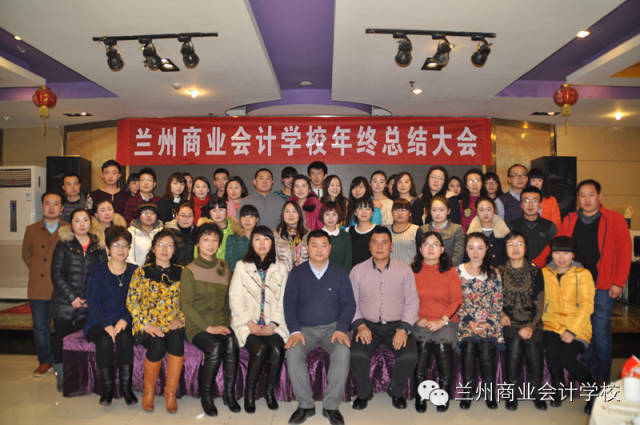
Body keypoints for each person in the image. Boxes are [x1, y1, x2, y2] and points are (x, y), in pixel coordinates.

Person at [558, 179, 631, 387]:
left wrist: (619, 282)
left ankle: (601, 377)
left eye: (591, 195)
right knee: (582, 330)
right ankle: (586, 375)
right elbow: (558, 248)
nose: (587, 199)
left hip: (602, 285)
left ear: (600, 196)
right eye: (582, 195)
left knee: (600, 332)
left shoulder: (614, 219)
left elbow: (624, 252)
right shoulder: (570, 219)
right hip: (576, 286)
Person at [283, 230, 356, 425]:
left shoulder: (340, 273)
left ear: (330, 248)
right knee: (293, 352)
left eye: (324, 245)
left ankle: (331, 406)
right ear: (307, 248)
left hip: (333, 328)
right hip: (304, 328)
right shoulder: (297, 273)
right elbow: (289, 304)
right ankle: (305, 405)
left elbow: (349, 304)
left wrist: (341, 328)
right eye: (314, 245)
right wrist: (294, 330)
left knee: (343, 352)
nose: (319, 250)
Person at [350, 226, 418, 411]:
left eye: (384, 243)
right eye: (375, 242)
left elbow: (412, 302)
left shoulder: (404, 270)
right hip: (367, 325)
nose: (379, 247)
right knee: (357, 354)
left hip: (396, 325)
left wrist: (403, 329)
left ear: (391, 246)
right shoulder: (357, 271)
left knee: (409, 355)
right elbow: (351, 303)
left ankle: (395, 391)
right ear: (369, 246)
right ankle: (364, 393)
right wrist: (360, 325)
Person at [180, 223, 240, 416]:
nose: (211, 244)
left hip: (221, 321)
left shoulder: (224, 266)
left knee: (231, 342)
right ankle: (206, 397)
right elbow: (186, 305)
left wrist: (228, 323)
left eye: (215, 240)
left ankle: (229, 394)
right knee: (214, 347)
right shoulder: (189, 270)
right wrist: (208, 327)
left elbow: (228, 298)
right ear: (198, 243)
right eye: (206, 240)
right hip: (197, 326)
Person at [229, 226, 289, 413]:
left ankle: (269, 392)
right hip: (247, 324)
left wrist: (273, 324)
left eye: (266, 239)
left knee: (277, 348)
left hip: (273, 324)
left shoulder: (280, 267)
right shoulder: (242, 266)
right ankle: (250, 393)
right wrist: (249, 323)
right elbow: (235, 298)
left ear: (272, 243)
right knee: (259, 348)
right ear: (251, 243)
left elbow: (284, 300)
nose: (262, 244)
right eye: (257, 239)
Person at [126, 230, 185, 413]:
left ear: (174, 250)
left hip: (172, 322)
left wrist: (180, 319)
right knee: (157, 345)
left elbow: (189, 301)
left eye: (169, 245)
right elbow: (132, 302)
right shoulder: (141, 272)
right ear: (153, 248)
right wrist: (147, 324)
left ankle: (170, 393)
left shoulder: (183, 272)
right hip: (147, 324)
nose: (165, 249)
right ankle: (148, 392)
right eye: (161, 245)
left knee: (176, 340)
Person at [51, 209, 107, 391]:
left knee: (81, 342)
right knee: (61, 341)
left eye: (85, 220)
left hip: (88, 304)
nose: (82, 224)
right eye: (77, 220)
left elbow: (102, 275)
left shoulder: (98, 246)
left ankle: (81, 376)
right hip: (64, 304)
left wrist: (92, 298)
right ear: (71, 224)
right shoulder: (64, 245)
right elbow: (56, 274)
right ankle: (61, 375)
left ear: (91, 223)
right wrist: (72, 298)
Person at [542, 236, 596, 414]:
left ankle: (594, 390)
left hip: (577, 327)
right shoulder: (544, 273)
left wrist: (572, 331)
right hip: (551, 324)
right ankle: (559, 388)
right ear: (552, 254)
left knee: (566, 357)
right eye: (557, 253)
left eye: (566, 253)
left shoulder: (583, 274)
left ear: (573, 255)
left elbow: (587, 306)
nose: (561, 257)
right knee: (551, 351)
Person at [84, 226, 137, 406]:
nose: (121, 249)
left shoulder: (135, 271)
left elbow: (137, 301)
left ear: (129, 248)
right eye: (116, 245)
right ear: (108, 248)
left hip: (125, 320)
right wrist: (106, 325)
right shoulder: (98, 270)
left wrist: (125, 319)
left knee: (125, 339)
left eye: (125, 245)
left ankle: (126, 388)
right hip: (98, 321)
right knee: (104, 340)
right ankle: (107, 389)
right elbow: (92, 302)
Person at [411, 231, 462, 413]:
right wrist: (417, 319)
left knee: (442, 345)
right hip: (421, 321)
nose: (431, 248)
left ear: (442, 249)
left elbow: (457, 301)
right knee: (423, 344)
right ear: (420, 249)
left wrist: (442, 321)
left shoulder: (450, 272)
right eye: (426, 244)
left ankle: (443, 393)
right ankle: (421, 394)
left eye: (435, 244)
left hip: (446, 321)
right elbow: (406, 300)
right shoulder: (412, 272)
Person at [499, 231, 546, 411]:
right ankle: (511, 394)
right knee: (515, 347)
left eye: (519, 244)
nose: (515, 248)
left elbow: (540, 302)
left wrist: (531, 326)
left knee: (533, 349)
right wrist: (501, 314)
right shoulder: (499, 271)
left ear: (526, 247)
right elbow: (494, 299)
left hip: (532, 322)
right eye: (510, 244)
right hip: (509, 322)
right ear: (505, 248)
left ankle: (537, 392)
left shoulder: (535, 271)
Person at [457, 232, 503, 410]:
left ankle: (490, 393)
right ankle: (467, 392)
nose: (475, 252)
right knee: (469, 346)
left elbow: (498, 300)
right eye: (471, 248)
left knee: (485, 348)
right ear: (466, 249)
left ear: (486, 250)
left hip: (489, 321)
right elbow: (455, 301)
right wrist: (469, 321)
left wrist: (488, 322)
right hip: (465, 320)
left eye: (480, 248)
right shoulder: (457, 271)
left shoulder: (494, 273)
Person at [22, 192, 65, 377]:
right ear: (42, 207)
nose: (51, 207)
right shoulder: (31, 229)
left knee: (62, 327)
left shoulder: (68, 228)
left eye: (56, 204)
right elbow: (27, 255)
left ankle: (61, 362)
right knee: (40, 327)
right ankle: (45, 361)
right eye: (48, 203)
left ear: (61, 208)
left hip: (61, 288)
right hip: (38, 286)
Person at [509, 186, 557, 267]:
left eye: (534, 200)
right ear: (521, 205)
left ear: (540, 204)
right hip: (518, 270)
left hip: (544, 270)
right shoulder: (511, 226)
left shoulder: (549, 226)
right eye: (526, 200)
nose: (530, 205)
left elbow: (556, 251)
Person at [420, 195, 464, 266]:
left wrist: (447, 269)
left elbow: (458, 256)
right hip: (427, 268)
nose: (437, 213)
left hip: (449, 268)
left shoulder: (457, 229)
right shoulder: (423, 229)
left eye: (441, 210)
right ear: (430, 211)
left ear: (448, 211)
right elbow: (420, 254)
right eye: (434, 210)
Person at [467, 196, 509, 266]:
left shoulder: (504, 230)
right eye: (481, 210)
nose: (485, 213)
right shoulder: (471, 231)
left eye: (489, 209)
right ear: (476, 212)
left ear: (494, 210)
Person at [199, 196, 240, 261]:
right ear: (209, 213)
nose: (218, 214)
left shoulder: (235, 228)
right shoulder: (204, 229)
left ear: (226, 211)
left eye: (221, 210)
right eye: (214, 211)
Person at [274, 201, 309, 272]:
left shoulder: (308, 235)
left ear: (299, 214)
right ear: (283, 215)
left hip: (304, 274)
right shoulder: (275, 235)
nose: (290, 215)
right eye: (287, 211)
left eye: (294, 211)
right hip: (281, 275)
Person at [225, 204, 260, 272]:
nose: (247, 220)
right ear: (240, 219)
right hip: (239, 275)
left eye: (251, 217)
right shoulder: (232, 239)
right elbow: (230, 265)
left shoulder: (262, 237)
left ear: (257, 219)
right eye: (244, 217)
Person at [320, 202, 352, 272]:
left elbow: (348, 260)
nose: (330, 218)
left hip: (341, 275)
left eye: (334, 214)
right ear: (322, 216)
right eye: (327, 214)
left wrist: (342, 275)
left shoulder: (345, 236)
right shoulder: (317, 236)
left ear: (339, 216)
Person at [387, 199, 419, 265]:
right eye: (396, 209)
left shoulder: (416, 230)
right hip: (389, 269)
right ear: (392, 212)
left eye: (404, 210)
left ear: (410, 213)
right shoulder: (386, 230)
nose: (399, 213)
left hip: (410, 269)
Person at [348, 198, 376, 267]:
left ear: (372, 212)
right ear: (355, 212)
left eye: (367, 209)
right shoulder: (348, 231)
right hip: (353, 271)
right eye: (360, 208)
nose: (364, 212)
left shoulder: (379, 231)